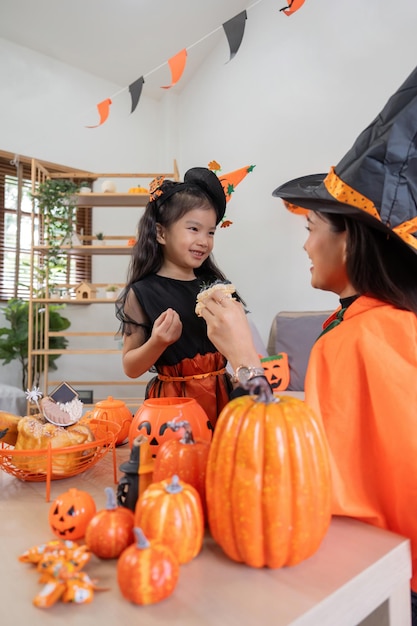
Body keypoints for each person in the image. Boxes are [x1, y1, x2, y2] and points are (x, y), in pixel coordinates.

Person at [198, 64, 417, 623]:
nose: (306, 246)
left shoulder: (364, 337)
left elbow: (304, 481)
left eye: (310, 228)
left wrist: (244, 360)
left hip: (387, 584)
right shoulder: (376, 323)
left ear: (350, 241)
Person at [116, 166, 239, 429]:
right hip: (174, 410)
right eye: (193, 229)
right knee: (179, 463)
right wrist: (158, 342)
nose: (204, 241)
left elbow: (237, 343)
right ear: (161, 233)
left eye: (211, 232)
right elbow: (130, 367)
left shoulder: (216, 287)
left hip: (222, 399)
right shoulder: (142, 293)